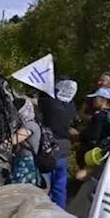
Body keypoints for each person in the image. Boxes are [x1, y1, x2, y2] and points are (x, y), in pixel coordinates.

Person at [37, 79, 78, 208]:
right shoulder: (71, 107)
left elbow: (42, 100)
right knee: (60, 184)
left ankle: (43, 209)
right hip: (65, 146)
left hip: (49, 146)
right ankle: (60, 210)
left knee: (45, 182)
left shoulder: (51, 104)